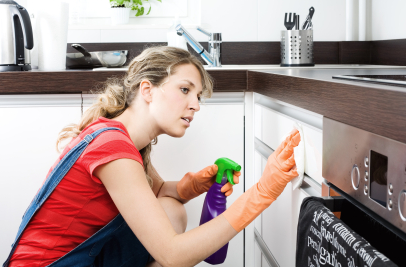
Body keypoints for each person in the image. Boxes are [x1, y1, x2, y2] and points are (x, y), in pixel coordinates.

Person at [5, 46, 300, 267]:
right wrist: (263, 192)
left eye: (197, 97)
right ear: (147, 89)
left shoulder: (116, 135)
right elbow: (172, 255)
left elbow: (152, 192)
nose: (195, 105)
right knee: (170, 227)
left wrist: (188, 187)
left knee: (171, 209)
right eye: (185, 90)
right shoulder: (113, 148)